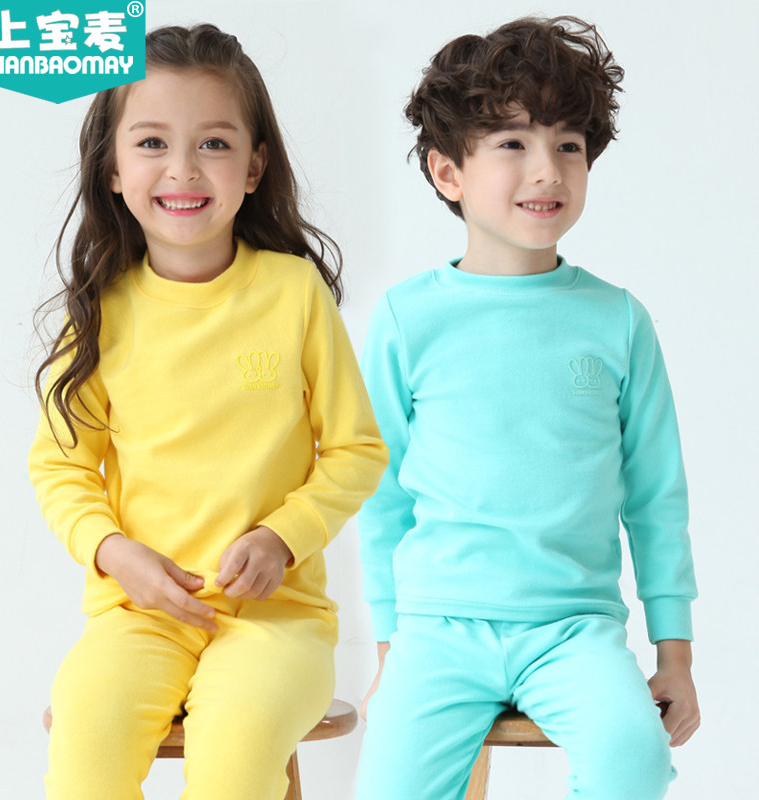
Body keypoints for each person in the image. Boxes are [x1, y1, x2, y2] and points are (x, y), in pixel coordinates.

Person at [28, 23, 387, 800]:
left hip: (276, 622)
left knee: (233, 755)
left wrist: (282, 537)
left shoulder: (293, 293)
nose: (183, 168)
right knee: (85, 748)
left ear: (254, 166)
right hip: (136, 615)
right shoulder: (99, 311)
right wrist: (113, 552)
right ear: (113, 168)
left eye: (214, 144)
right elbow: (60, 466)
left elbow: (356, 449)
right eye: (152, 142)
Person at [355, 16, 699, 800]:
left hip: (575, 630)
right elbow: (381, 493)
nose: (547, 169)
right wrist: (389, 647)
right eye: (512, 142)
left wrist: (674, 655)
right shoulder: (408, 318)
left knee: (634, 758)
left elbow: (656, 498)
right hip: (438, 630)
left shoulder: (618, 321)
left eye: (568, 145)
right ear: (448, 172)